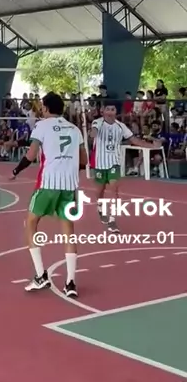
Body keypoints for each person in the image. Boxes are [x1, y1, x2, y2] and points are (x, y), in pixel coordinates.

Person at [24, 91, 87, 298]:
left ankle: (40, 275)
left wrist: (17, 169)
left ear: (45, 108)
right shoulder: (75, 129)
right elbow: (84, 161)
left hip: (48, 183)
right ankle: (70, 282)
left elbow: (31, 154)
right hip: (69, 185)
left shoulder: (41, 126)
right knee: (68, 230)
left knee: (30, 223)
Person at [90, 101, 159, 230]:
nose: (110, 112)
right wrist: (92, 133)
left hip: (114, 163)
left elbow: (134, 140)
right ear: (103, 111)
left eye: (113, 109)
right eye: (108, 109)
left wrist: (151, 146)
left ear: (116, 112)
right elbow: (93, 132)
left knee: (114, 190)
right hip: (100, 163)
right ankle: (100, 209)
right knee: (99, 191)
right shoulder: (98, 122)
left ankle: (112, 220)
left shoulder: (121, 126)